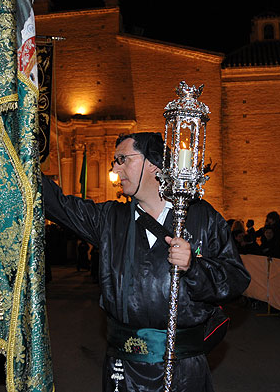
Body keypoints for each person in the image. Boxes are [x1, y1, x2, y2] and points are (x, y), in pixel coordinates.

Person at [41, 132, 250, 392]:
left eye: (122, 159)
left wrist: (194, 268)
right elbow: (57, 203)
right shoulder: (109, 219)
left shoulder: (201, 217)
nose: (115, 168)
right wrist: (19, 158)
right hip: (123, 369)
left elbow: (236, 277)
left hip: (182, 369)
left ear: (152, 163)